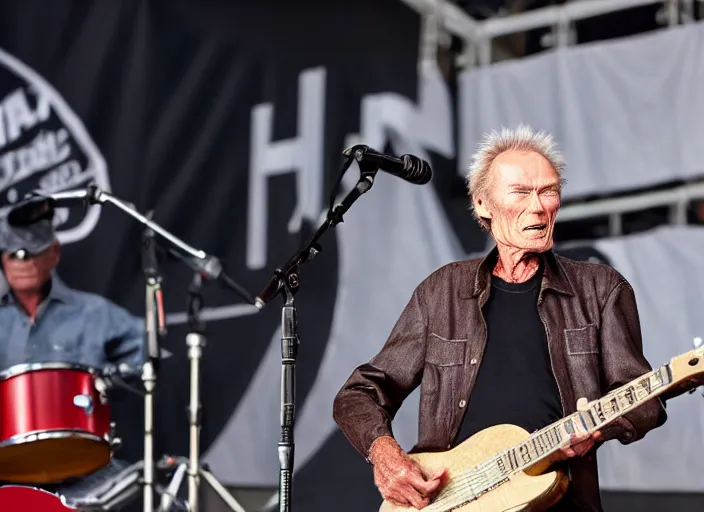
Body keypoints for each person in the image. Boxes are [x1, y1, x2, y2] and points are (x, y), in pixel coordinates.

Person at [332, 125, 667, 511]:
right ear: (483, 205)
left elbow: (645, 401)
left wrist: (597, 428)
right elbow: (360, 394)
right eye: (522, 193)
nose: (539, 206)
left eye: (549, 191)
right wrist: (386, 455)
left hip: (558, 501)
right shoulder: (442, 292)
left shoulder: (601, 289)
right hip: (448, 500)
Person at [0, 197, 145, 504]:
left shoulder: (93, 312)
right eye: (15, 254)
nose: (24, 261)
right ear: (3, 259)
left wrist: (111, 381)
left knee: (152, 497)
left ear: (54, 253)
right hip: (6, 467)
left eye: (34, 253)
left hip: (82, 466)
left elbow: (147, 350)